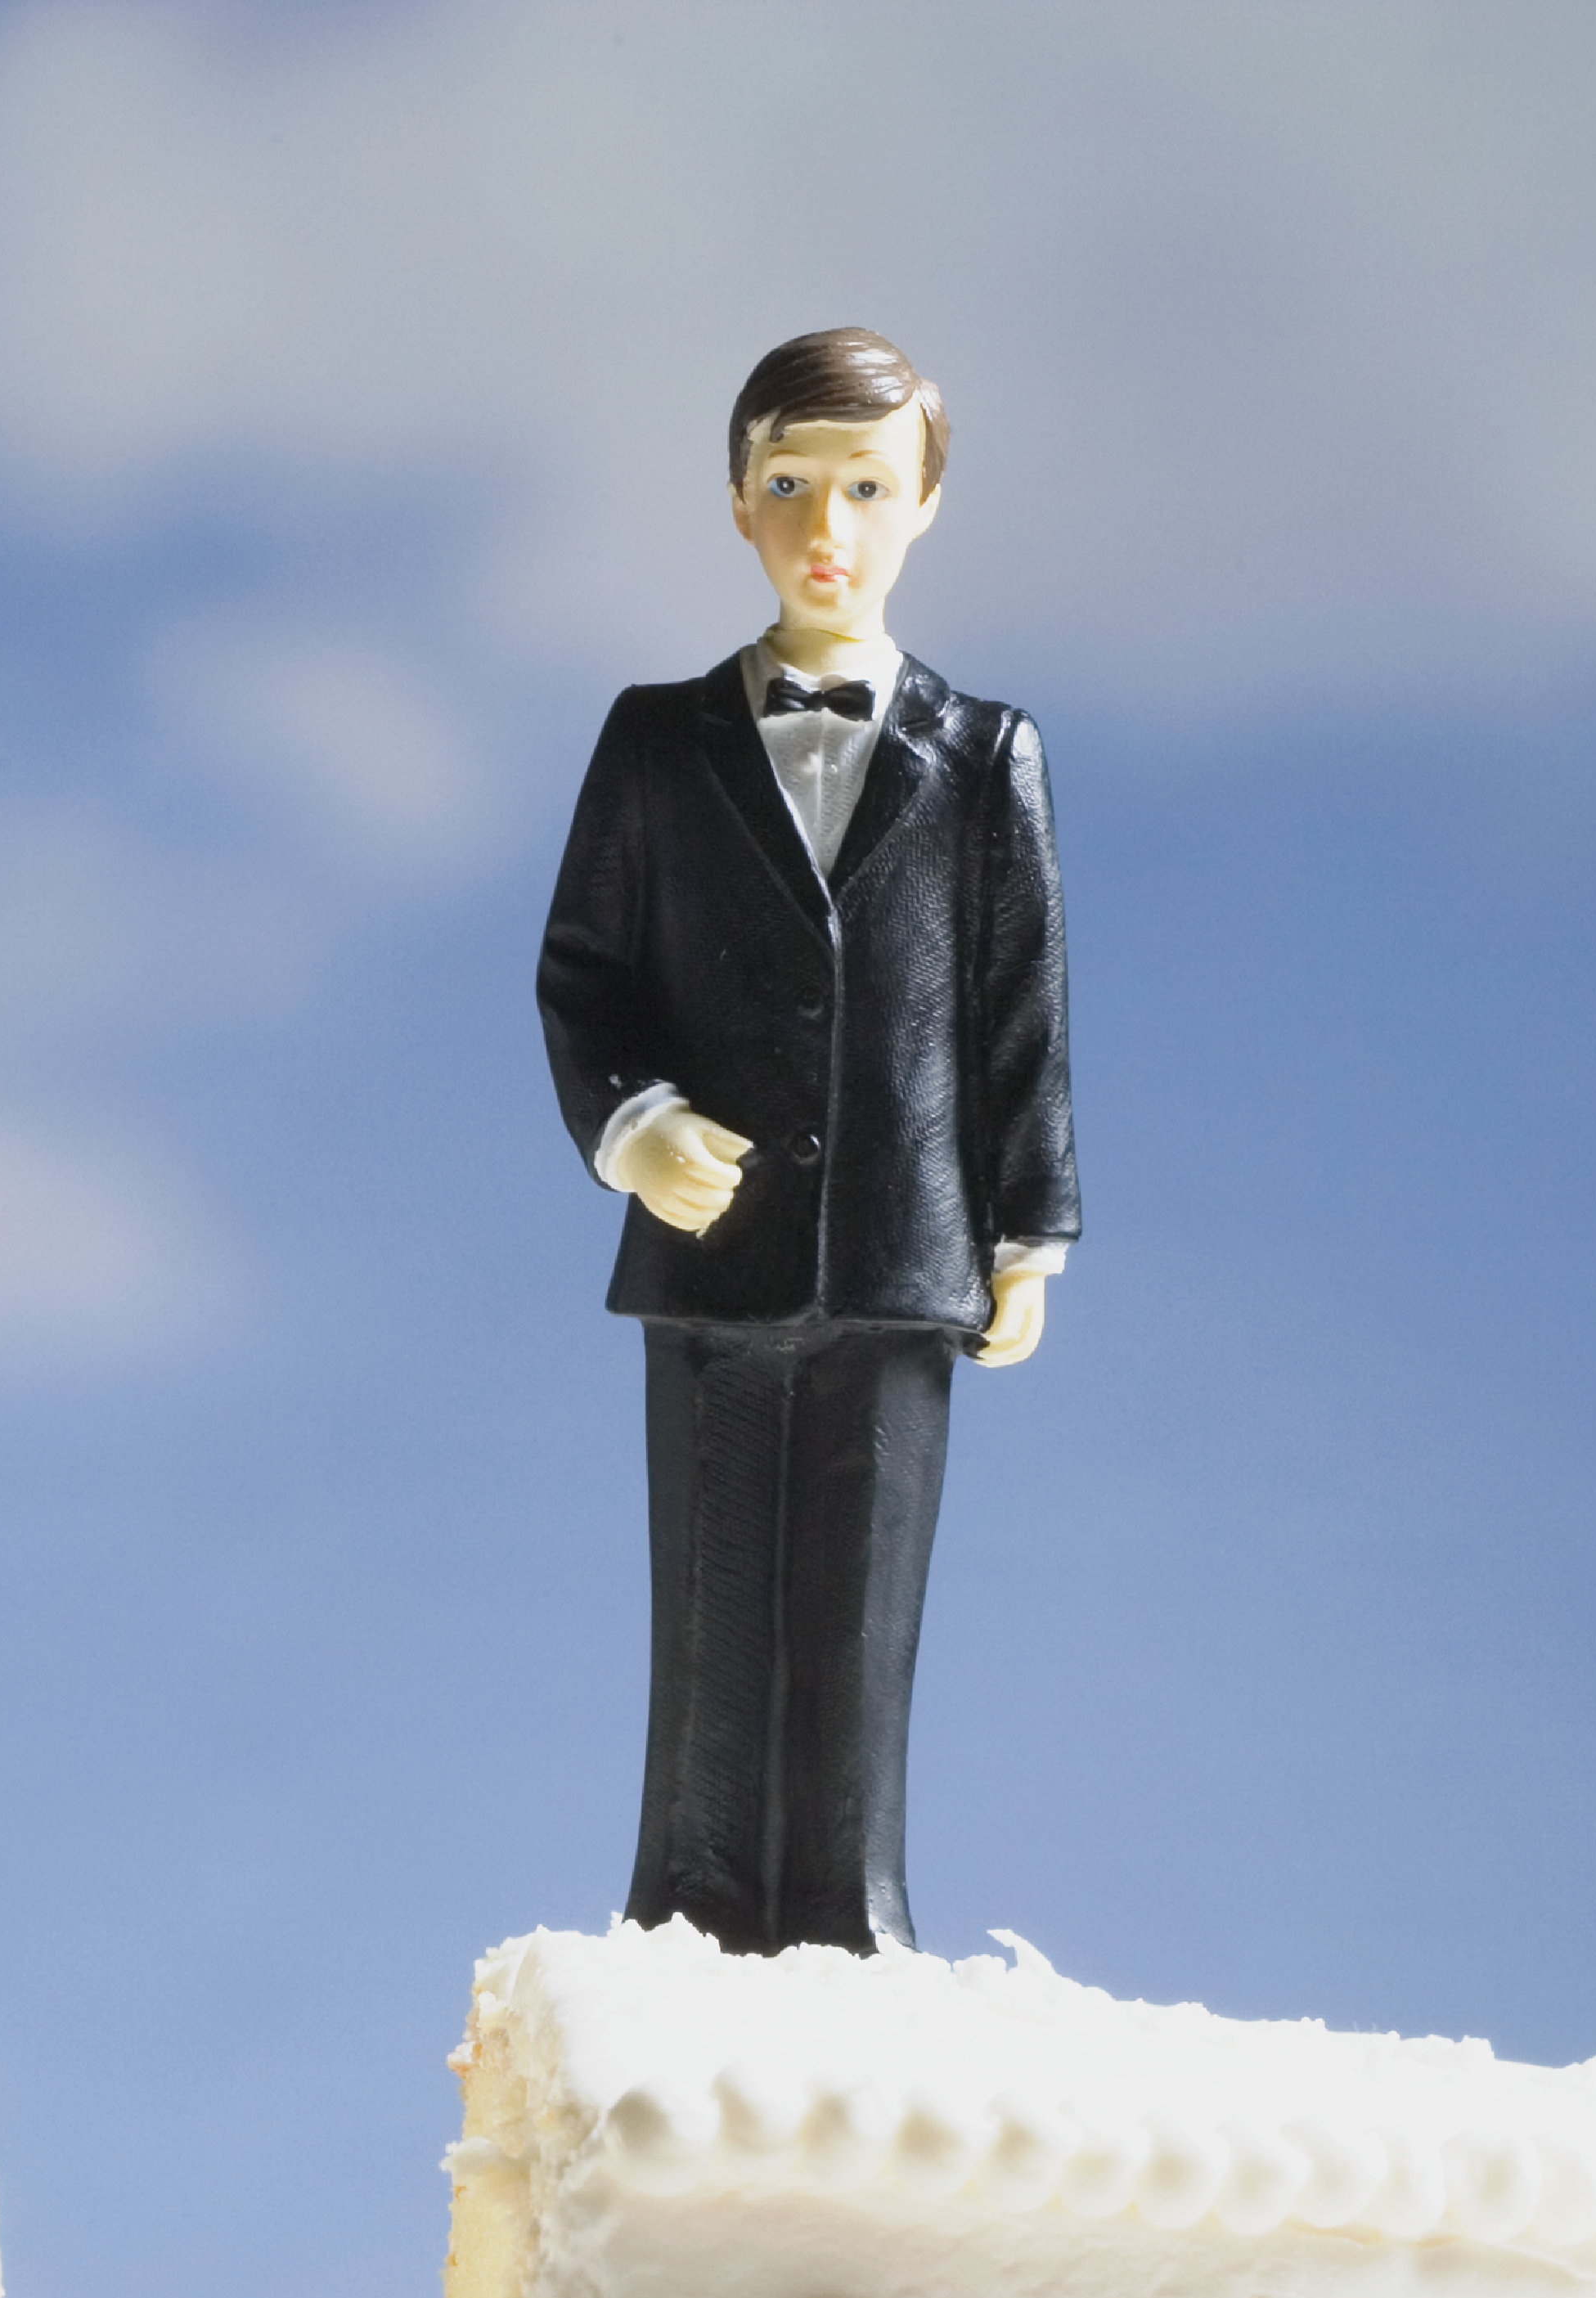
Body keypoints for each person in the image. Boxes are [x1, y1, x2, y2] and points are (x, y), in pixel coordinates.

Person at [533, 329, 1081, 1959]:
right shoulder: (653, 741)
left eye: (862, 487)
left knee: (859, 1605)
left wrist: (1022, 1230)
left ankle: (851, 1911)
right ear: (734, 504)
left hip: (906, 1241)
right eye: (787, 486)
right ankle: (685, 1902)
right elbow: (581, 970)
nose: (822, 526)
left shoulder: (986, 760)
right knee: (709, 1597)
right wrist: (631, 1130)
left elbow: (1019, 1010)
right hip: (710, 1250)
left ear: (923, 506)